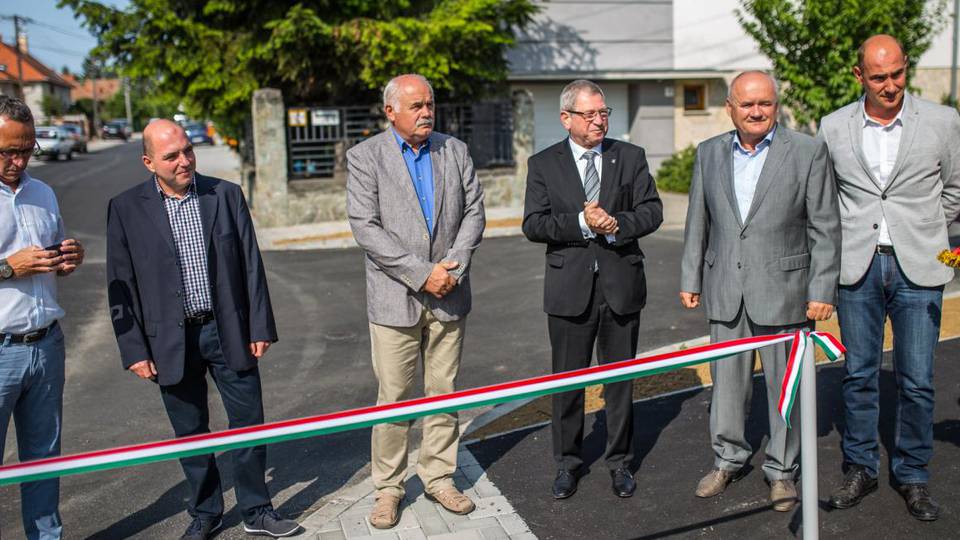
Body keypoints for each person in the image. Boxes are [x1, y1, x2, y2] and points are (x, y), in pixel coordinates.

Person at [106, 120, 299, 539]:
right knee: (190, 432)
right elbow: (120, 282)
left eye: (187, 150)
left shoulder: (224, 195)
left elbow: (251, 265)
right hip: (169, 340)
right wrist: (133, 348)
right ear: (148, 162)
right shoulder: (125, 208)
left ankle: (257, 510)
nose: (184, 161)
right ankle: (206, 512)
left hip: (227, 329)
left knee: (249, 422)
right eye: (171, 156)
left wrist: (260, 325)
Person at [679, 71, 840, 512]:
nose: (756, 112)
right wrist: (691, 277)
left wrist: (822, 287)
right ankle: (727, 459)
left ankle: (782, 471)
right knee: (727, 388)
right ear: (730, 107)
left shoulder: (807, 150)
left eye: (765, 103)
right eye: (747, 104)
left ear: (776, 106)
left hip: (786, 291)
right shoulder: (709, 152)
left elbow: (825, 226)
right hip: (725, 289)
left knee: (784, 391)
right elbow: (698, 219)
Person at [819, 35, 960, 522]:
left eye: (897, 73)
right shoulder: (833, 126)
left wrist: (923, 230)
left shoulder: (943, 120)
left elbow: (955, 189)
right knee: (859, 374)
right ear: (859, 76)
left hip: (918, 266)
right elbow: (826, 197)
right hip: (856, 266)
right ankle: (861, 466)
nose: (891, 85)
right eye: (879, 77)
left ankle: (913, 473)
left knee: (917, 379)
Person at [346, 74, 485, 529]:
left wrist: (452, 268)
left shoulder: (454, 150)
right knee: (394, 397)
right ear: (390, 112)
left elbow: (474, 212)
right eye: (416, 106)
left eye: (430, 104)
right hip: (395, 298)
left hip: (450, 293)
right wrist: (423, 274)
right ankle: (388, 487)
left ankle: (439, 477)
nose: (427, 113)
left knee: (443, 390)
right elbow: (366, 228)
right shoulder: (365, 157)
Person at [522, 79, 663, 500]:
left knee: (620, 382)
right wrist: (583, 223)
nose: (599, 121)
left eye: (604, 113)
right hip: (570, 289)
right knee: (567, 383)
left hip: (621, 286)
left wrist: (616, 224)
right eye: (590, 114)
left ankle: (620, 462)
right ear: (566, 118)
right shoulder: (543, 164)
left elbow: (652, 211)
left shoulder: (630, 157)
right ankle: (567, 463)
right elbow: (534, 224)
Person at [0, 95, 84, 540]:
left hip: (46, 344)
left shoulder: (43, 193)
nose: (19, 161)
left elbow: (53, 258)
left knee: (44, 460)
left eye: (26, 149)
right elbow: (14, 266)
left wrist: (68, 259)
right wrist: (7, 268)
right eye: (8, 151)